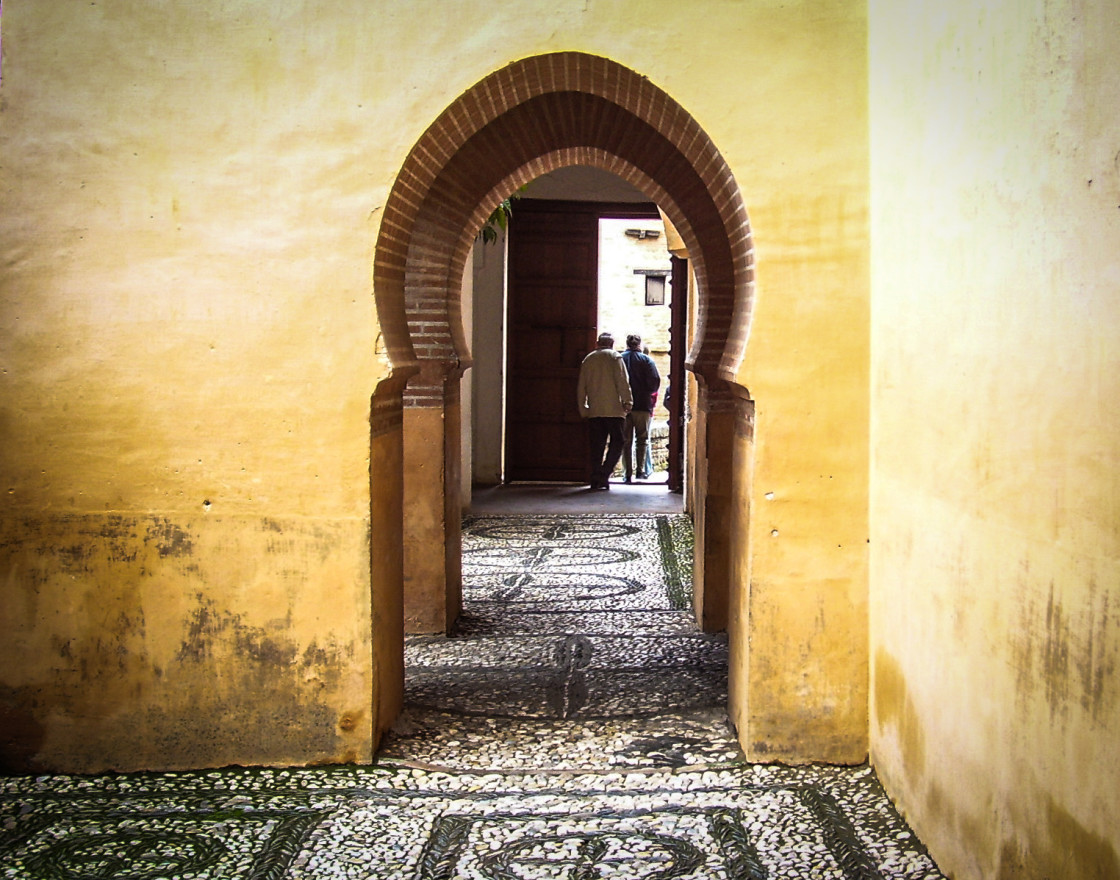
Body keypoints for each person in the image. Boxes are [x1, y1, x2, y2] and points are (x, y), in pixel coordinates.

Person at [576, 332, 633, 490]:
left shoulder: (589, 359)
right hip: (614, 410)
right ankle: (604, 473)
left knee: (597, 445)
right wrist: (628, 402)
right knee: (618, 441)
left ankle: (595, 476)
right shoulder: (615, 358)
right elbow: (623, 382)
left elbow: (582, 386)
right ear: (612, 343)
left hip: (595, 410)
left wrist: (583, 407)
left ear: (597, 343)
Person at [621, 334, 661, 482]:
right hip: (643, 405)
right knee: (642, 439)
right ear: (639, 344)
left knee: (625, 440)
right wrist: (645, 392)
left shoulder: (619, 359)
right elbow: (655, 382)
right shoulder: (647, 360)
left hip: (623, 406)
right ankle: (640, 471)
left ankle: (627, 474)